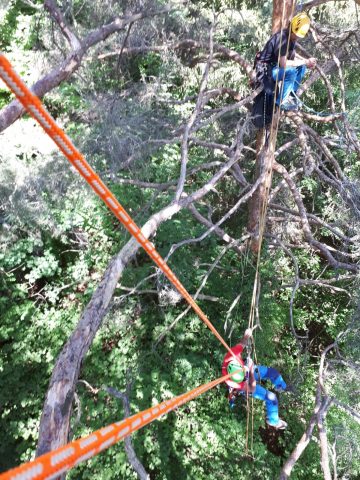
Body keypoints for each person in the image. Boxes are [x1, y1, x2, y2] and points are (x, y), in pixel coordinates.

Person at [222, 328, 288, 429]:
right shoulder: (234, 383)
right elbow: (251, 388)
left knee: (273, 373)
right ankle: (273, 421)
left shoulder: (232, 355)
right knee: (272, 398)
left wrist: (246, 336)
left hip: (246, 369)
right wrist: (251, 370)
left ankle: (282, 387)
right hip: (247, 381)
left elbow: (242, 344)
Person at [257, 11, 317, 111]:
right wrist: (306, 61)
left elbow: (290, 60)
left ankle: (291, 94)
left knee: (301, 67)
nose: (297, 37)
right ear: (291, 28)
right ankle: (282, 101)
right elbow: (284, 64)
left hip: (274, 67)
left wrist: (305, 62)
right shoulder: (283, 39)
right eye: (296, 34)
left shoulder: (291, 39)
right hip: (266, 70)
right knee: (291, 72)